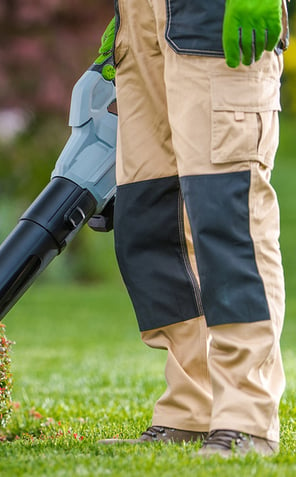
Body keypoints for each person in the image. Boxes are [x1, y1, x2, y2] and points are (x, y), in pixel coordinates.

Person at [95, 0, 288, 457]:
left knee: (229, 218)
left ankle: (247, 416)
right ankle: (191, 409)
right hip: (142, 22)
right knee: (151, 218)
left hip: (214, 15)